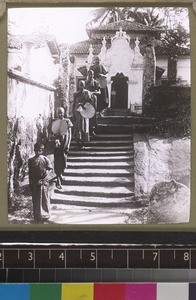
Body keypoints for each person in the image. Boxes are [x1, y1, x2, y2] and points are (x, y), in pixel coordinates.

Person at [28, 142, 53, 223]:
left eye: (40, 150)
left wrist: (45, 178)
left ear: (42, 151)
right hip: (35, 183)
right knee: (36, 199)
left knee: (44, 198)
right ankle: (37, 216)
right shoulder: (31, 160)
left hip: (44, 182)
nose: (38, 152)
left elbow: (50, 169)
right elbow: (30, 173)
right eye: (36, 150)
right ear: (34, 150)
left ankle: (45, 215)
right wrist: (31, 183)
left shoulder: (45, 159)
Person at [53, 107, 73, 189]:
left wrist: (68, 144)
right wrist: (55, 141)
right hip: (58, 144)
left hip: (65, 143)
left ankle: (60, 174)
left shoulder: (67, 121)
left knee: (64, 160)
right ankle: (58, 178)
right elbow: (53, 132)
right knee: (58, 161)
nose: (60, 114)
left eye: (61, 112)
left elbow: (70, 133)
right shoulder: (55, 122)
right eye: (59, 113)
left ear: (64, 113)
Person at [73, 80, 93, 149]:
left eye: (82, 84)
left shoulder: (87, 92)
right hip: (77, 112)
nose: (81, 86)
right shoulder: (75, 94)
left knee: (83, 128)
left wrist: (83, 103)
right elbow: (73, 103)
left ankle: (82, 143)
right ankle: (78, 144)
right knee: (77, 128)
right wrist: (73, 112)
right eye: (80, 84)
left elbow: (90, 101)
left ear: (84, 85)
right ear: (78, 85)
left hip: (84, 112)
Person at [85, 70, 100, 136]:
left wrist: (93, 92)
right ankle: (86, 131)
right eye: (89, 74)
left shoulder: (95, 82)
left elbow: (99, 92)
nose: (90, 76)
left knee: (92, 114)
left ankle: (92, 130)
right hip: (86, 100)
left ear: (93, 75)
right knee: (86, 114)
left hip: (93, 99)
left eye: (91, 74)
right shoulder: (85, 82)